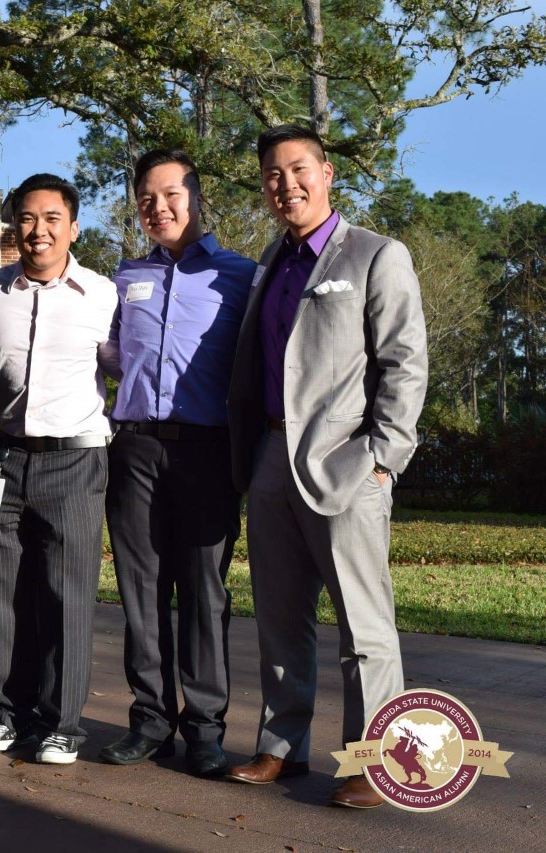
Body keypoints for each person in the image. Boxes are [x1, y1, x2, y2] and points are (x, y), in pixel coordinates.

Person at [224, 125, 427, 809]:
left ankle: (377, 761)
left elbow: (404, 362)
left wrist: (385, 459)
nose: (287, 185)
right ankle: (281, 747)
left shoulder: (376, 254)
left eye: (299, 169)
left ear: (328, 171)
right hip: (271, 462)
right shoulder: (269, 265)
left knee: (363, 627)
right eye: (273, 175)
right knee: (281, 620)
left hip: (348, 465)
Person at [96, 150, 255, 777]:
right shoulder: (124, 277)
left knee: (203, 589)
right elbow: (107, 351)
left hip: (207, 449)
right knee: (140, 590)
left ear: (194, 197)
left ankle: (206, 727)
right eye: (146, 199)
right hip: (133, 446)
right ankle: (150, 721)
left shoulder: (241, 276)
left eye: (171, 195)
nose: (158, 208)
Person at [0, 174, 116, 765]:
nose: (40, 230)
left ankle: (64, 725)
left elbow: (131, 372)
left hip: (75, 460)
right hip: (4, 460)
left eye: (53, 218)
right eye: (28, 218)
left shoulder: (103, 295)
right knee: (2, 592)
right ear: (14, 227)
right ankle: (9, 714)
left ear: (74, 227)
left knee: (66, 594)